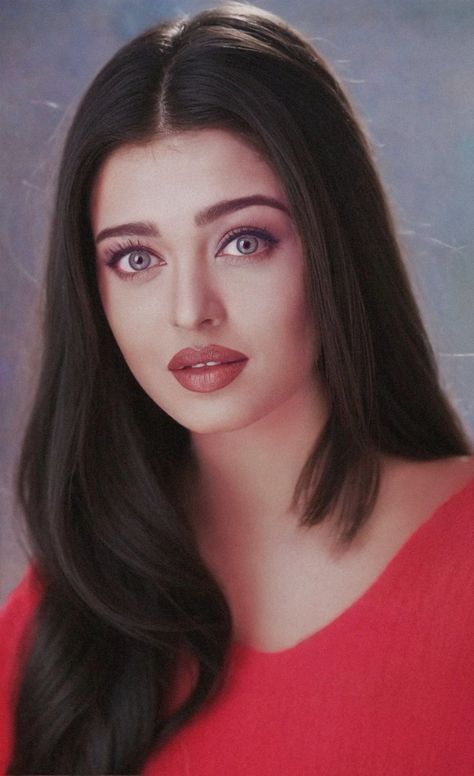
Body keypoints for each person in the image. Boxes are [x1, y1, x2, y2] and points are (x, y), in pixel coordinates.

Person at [1, 2, 473, 773]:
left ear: (332, 244)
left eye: (243, 241)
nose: (192, 308)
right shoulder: (64, 621)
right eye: (134, 259)